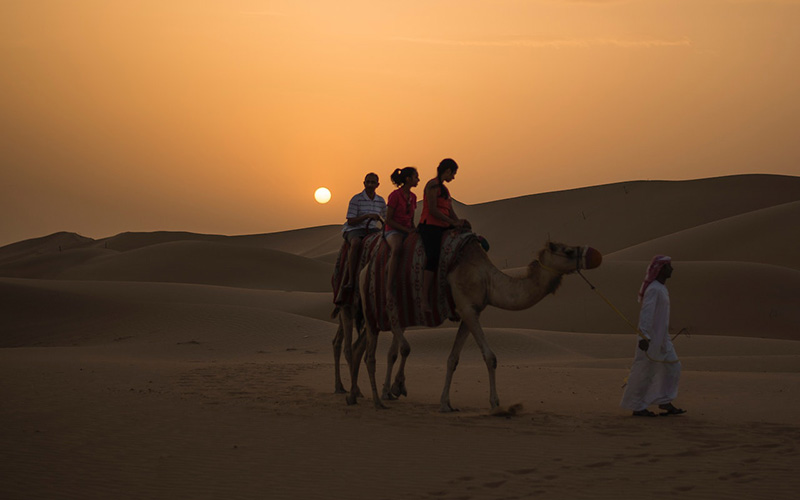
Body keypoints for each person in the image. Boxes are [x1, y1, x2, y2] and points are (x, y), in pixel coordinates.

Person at [620, 255, 686, 417]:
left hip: (662, 338)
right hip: (650, 339)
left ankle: (664, 401)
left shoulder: (661, 288)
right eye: (668, 266)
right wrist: (643, 336)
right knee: (645, 371)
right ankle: (637, 406)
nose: (672, 269)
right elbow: (646, 314)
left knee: (673, 366)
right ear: (661, 269)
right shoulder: (654, 289)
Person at [417, 158, 469, 314]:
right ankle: (424, 299)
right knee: (433, 257)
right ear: (447, 171)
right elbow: (433, 210)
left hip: (443, 226)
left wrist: (458, 221)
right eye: (453, 173)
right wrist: (451, 222)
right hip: (430, 226)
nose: (453, 177)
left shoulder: (445, 190)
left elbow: (450, 211)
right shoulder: (432, 185)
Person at [342, 173, 386, 291]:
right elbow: (350, 221)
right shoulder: (356, 199)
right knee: (356, 243)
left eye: (373, 182)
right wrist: (367, 216)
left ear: (378, 185)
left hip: (372, 229)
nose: (370, 185)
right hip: (354, 229)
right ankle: (351, 279)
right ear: (364, 183)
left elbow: (387, 218)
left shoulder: (381, 201)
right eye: (368, 182)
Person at [385, 166, 420, 295]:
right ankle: (389, 287)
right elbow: (388, 219)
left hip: (408, 230)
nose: (418, 179)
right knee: (397, 248)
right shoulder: (394, 196)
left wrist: (414, 229)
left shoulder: (413, 197)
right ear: (408, 179)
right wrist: (406, 229)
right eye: (416, 177)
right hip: (393, 230)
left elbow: (411, 218)